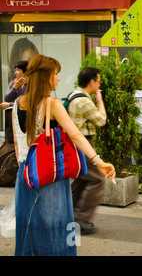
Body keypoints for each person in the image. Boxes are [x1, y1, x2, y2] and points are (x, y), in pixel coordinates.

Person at [13, 54, 115, 256]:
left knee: (29, 230)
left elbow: (18, 142)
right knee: (59, 229)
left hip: (25, 176)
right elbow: (75, 135)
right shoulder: (51, 103)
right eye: (56, 74)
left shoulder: (17, 102)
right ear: (46, 76)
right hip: (48, 175)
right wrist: (98, 161)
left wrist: (24, 168)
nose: (59, 78)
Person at [69, 67, 108, 235]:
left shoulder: (74, 94)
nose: (99, 85)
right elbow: (101, 120)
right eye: (98, 82)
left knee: (82, 179)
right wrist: (99, 100)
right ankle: (82, 218)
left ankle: (67, 214)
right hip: (83, 144)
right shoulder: (84, 101)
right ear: (92, 82)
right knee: (98, 179)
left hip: (75, 144)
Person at [1, 60, 28, 143]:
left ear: (25, 72)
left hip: (24, 115)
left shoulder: (30, 85)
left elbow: (25, 102)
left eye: (18, 70)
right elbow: (7, 98)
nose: (16, 73)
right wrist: (15, 87)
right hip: (12, 115)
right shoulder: (13, 83)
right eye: (15, 70)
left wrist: (9, 104)